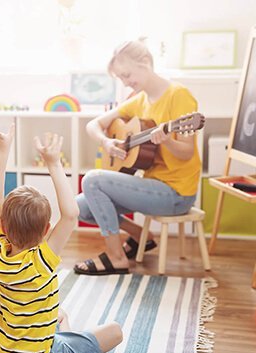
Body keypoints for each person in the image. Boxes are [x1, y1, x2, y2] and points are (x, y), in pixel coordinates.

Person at [0, 124, 123, 353]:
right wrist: (54, 163)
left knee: (61, 315)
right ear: (47, 229)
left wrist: (2, 151)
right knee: (114, 332)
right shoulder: (41, 261)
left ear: (3, 226)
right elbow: (71, 214)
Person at [74, 38, 201, 275]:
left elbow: (187, 152)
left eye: (127, 74)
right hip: (152, 185)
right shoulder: (139, 99)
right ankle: (140, 234)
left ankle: (116, 257)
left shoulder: (179, 95)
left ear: (145, 62)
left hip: (176, 193)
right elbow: (93, 125)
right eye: (121, 78)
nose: (126, 82)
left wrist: (167, 140)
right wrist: (107, 142)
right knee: (80, 207)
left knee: (92, 180)